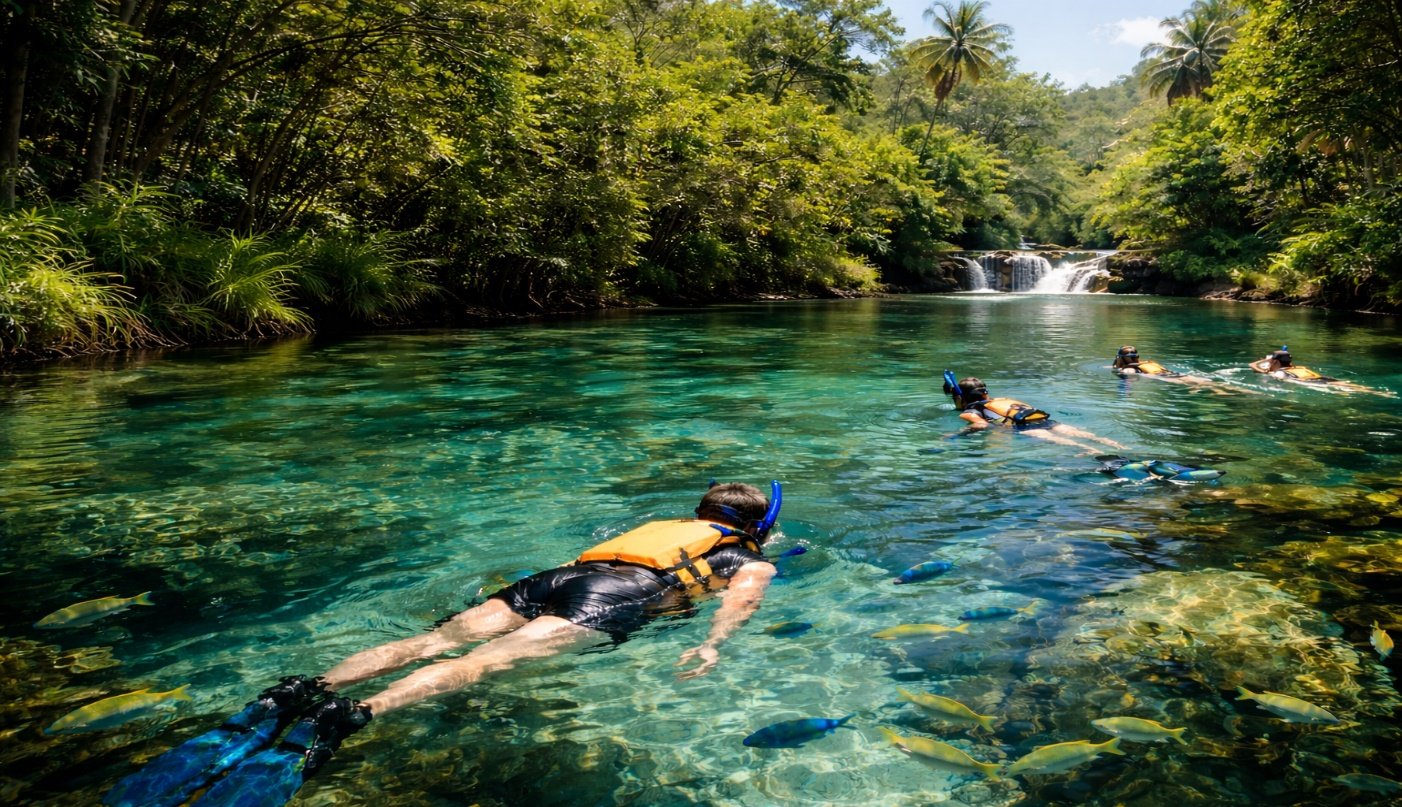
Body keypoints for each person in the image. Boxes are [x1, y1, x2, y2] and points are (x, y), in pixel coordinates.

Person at [106, 481, 782, 807]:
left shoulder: (660, 521)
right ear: (754, 527)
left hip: (561, 575)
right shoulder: (748, 559)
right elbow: (741, 600)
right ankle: (353, 716)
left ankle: (304, 690)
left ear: (702, 510)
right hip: (615, 597)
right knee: (480, 666)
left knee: (428, 640)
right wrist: (715, 645)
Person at [942, 370, 1127, 453]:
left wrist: (957, 435)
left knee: (1066, 443)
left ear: (960, 397)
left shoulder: (971, 410)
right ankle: (1116, 445)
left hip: (1026, 427)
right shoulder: (1002, 400)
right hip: (1045, 420)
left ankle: (1091, 451)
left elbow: (980, 424)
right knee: (1083, 434)